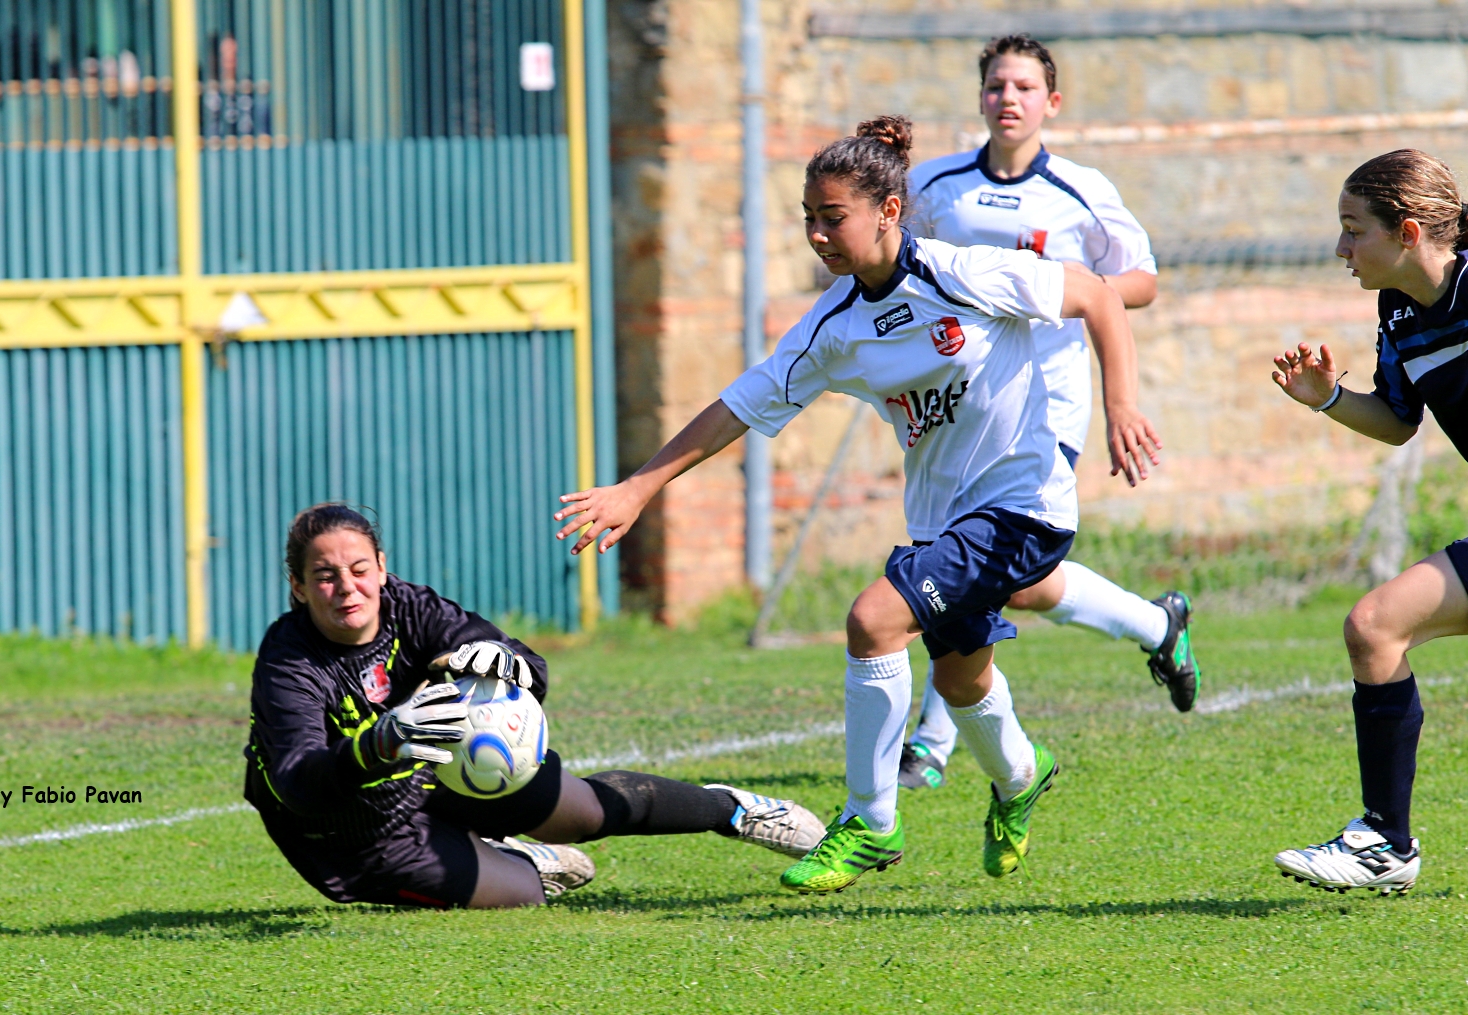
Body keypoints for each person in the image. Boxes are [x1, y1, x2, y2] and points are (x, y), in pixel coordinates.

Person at [554, 116, 1161, 893]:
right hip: (942, 518)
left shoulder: (961, 271)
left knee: (873, 619)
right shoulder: (833, 326)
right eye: (808, 217)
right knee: (961, 680)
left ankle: (870, 821)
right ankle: (1022, 777)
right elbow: (739, 404)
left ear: (888, 211)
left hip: (1026, 502)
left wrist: (1121, 406)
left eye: (831, 216)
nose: (817, 234)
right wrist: (638, 485)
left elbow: (1100, 298)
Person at [245, 503, 825, 909]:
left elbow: (519, 661)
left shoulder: (410, 607)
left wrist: (510, 663)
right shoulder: (288, 661)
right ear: (297, 587)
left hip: (442, 772)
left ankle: (734, 809)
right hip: (356, 831)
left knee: (591, 814)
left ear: (381, 566)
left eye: (359, 569)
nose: (346, 587)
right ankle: (518, 859)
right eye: (324, 577)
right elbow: (299, 781)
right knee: (525, 894)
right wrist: (381, 741)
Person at [899, 34, 1201, 792]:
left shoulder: (1079, 189)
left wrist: (1051, 285)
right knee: (1015, 580)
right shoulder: (938, 188)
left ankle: (931, 741)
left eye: (1026, 88)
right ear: (981, 98)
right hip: (959, 401)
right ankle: (1158, 625)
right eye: (998, 85)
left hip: (1049, 403)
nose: (1010, 98)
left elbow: (1140, 281)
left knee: (974, 564)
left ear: (1051, 104)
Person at [1269, 149, 1468, 895]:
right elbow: (1395, 421)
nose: (1341, 250)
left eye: (1354, 230)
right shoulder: (1397, 311)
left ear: (1408, 230)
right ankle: (1385, 840)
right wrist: (1326, 397)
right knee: (1375, 626)